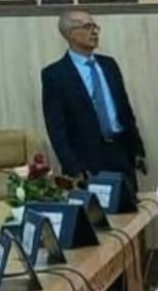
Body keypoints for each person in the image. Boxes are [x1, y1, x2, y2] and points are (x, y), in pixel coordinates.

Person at [40, 10, 148, 193]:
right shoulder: (55, 75)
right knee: (97, 210)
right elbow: (56, 128)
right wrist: (73, 168)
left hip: (120, 152)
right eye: (88, 27)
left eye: (95, 26)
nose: (95, 32)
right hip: (87, 161)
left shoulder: (109, 65)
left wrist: (137, 149)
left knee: (130, 206)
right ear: (71, 34)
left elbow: (124, 110)